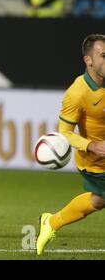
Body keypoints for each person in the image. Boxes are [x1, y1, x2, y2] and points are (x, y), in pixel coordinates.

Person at [36, 34, 105, 255]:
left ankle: (52, 222)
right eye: (104, 55)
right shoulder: (77, 93)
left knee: (98, 201)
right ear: (89, 61)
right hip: (94, 161)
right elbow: (65, 133)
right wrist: (91, 145)